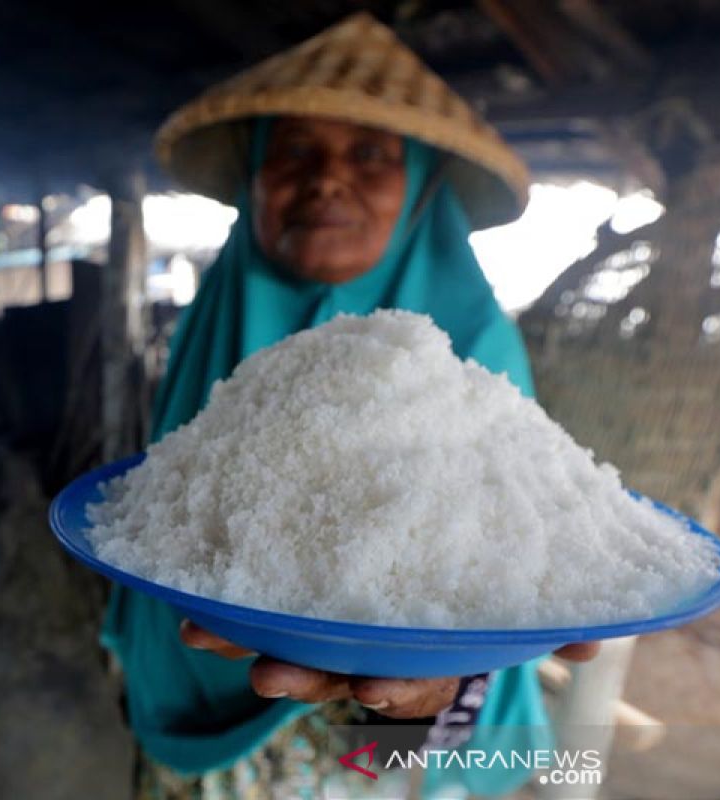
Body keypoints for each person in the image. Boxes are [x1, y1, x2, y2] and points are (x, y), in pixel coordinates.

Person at [101, 13, 600, 798]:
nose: (327, 178)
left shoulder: (470, 345)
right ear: (255, 178)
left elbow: (495, 567)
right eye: (294, 150)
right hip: (194, 699)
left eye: (370, 155)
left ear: (422, 188)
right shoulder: (217, 316)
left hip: (368, 754)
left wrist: (428, 682)